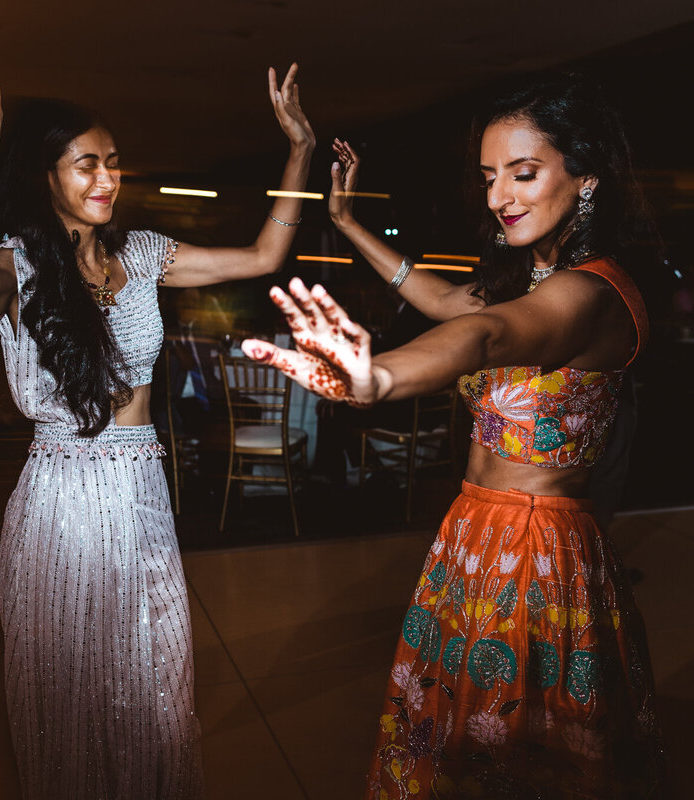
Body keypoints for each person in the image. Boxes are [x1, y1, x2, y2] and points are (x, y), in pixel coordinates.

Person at [245, 74, 665, 797]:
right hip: (472, 532)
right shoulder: (531, 279)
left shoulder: (589, 294)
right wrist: (347, 226)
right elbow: (442, 298)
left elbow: (482, 335)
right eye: (489, 176)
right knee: (451, 737)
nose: (501, 195)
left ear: (586, 178)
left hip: (535, 553)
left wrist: (376, 378)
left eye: (524, 173)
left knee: (510, 754)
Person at [0, 47, 315, 798]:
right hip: (59, 505)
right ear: (46, 176)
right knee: (70, 699)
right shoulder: (19, 265)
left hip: (141, 496)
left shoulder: (143, 254)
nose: (107, 179)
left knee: (159, 697)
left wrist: (297, 150)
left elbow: (265, 254)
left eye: (113, 162)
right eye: (86, 164)